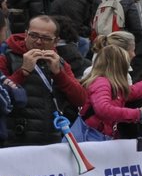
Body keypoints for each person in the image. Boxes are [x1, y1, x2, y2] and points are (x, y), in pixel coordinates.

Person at [2, 15, 88, 148]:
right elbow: (2, 96)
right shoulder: (6, 58)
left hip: (52, 137)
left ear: (56, 41)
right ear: (26, 34)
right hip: (15, 138)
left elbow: (81, 99)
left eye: (46, 38)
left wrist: (59, 74)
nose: (38, 42)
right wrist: (23, 72)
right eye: (33, 35)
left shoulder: (60, 62)